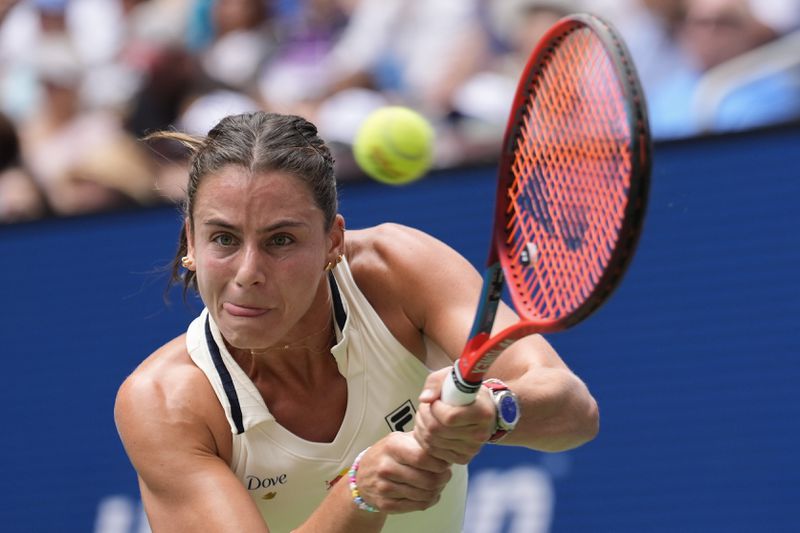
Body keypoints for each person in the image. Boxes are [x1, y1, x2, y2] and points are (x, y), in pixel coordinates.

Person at [113, 111, 599, 533]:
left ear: (333, 242)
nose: (248, 274)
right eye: (223, 239)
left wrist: (494, 411)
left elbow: (575, 414)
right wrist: (360, 493)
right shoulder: (164, 402)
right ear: (191, 245)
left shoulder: (398, 270)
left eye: (281, 241)